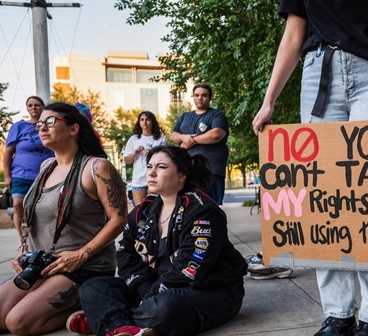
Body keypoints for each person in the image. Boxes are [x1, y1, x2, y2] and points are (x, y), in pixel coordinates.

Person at [252, 1, 368, 335]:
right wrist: (269, 100)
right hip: (318, 72)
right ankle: (337, 314)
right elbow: (293, 34)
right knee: (323, 198)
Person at [66, 146, 248, 336]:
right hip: (152, 288)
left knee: (164, 308)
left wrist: (149, 296)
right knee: (94, 287)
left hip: (207, 290)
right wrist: (143, 288)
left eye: (161, 167)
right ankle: (123, 328)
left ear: (181, 176)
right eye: (149, 166)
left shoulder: (203, 212)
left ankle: (108, 319)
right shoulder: (143, 211)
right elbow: (126, 255)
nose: (151, 173)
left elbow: (190, 269)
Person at [0, 103, 127, 335]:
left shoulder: (97, 167)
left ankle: (87, 307)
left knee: (17, 323)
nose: (42, 127)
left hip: (83, 268)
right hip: (43, 265)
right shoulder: (46, 166)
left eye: (50, 122)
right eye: (39, 124)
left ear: (73, 128)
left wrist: (82, 254)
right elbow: (37, 217)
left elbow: (118, 218)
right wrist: (26, 252)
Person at [2, 96, 54, 242]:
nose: (33, 108)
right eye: (30, 105)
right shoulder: (19, 127)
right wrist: (7, 176)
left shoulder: (50, 126)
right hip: (20, 174)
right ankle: (22, 238)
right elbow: (7, 152)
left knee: (41, 208)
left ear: (43, 107)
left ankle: (41, 236)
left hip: (45, 175)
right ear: (27, 108)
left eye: (37, 105)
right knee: (18, 204)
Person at [171, 83, 229, 205]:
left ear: (210, 97)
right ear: (193, 97)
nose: (200, 98)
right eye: (196, 95)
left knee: (210, 207)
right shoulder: (185, 116)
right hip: (187, 170)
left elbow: (216, 134)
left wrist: (192, 141)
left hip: (211, 170)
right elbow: (173, 136)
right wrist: (183, 137)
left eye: (204, 95)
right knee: (187, 207)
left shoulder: (217, 115)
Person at [122, 111, 166, 205]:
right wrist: (135, 152)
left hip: (155, 179)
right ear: (139, 122)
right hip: (138, 180)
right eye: (142, 119)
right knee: (139, 211)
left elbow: (164, 159)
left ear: (152, 122)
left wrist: (150, 152)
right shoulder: (134, 139)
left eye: (147, 119)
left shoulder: (160, 138)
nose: (144, 122)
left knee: (155, 210)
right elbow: (127, 161)